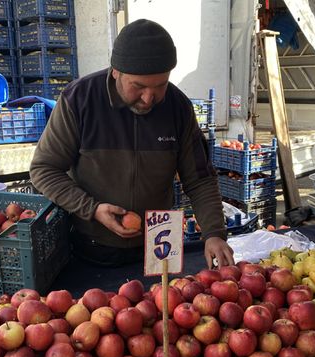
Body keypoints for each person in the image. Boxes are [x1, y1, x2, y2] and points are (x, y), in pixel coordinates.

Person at [30, 19, 234, 269]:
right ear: (115, 71)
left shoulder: (178, 107)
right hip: (90, 247)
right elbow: (44, 169)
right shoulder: (80, 99)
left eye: (160, 86)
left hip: (159, 246)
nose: (149, 98)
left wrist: (214, 232)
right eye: (138, 86)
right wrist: (91, 209)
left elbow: (200, 178)